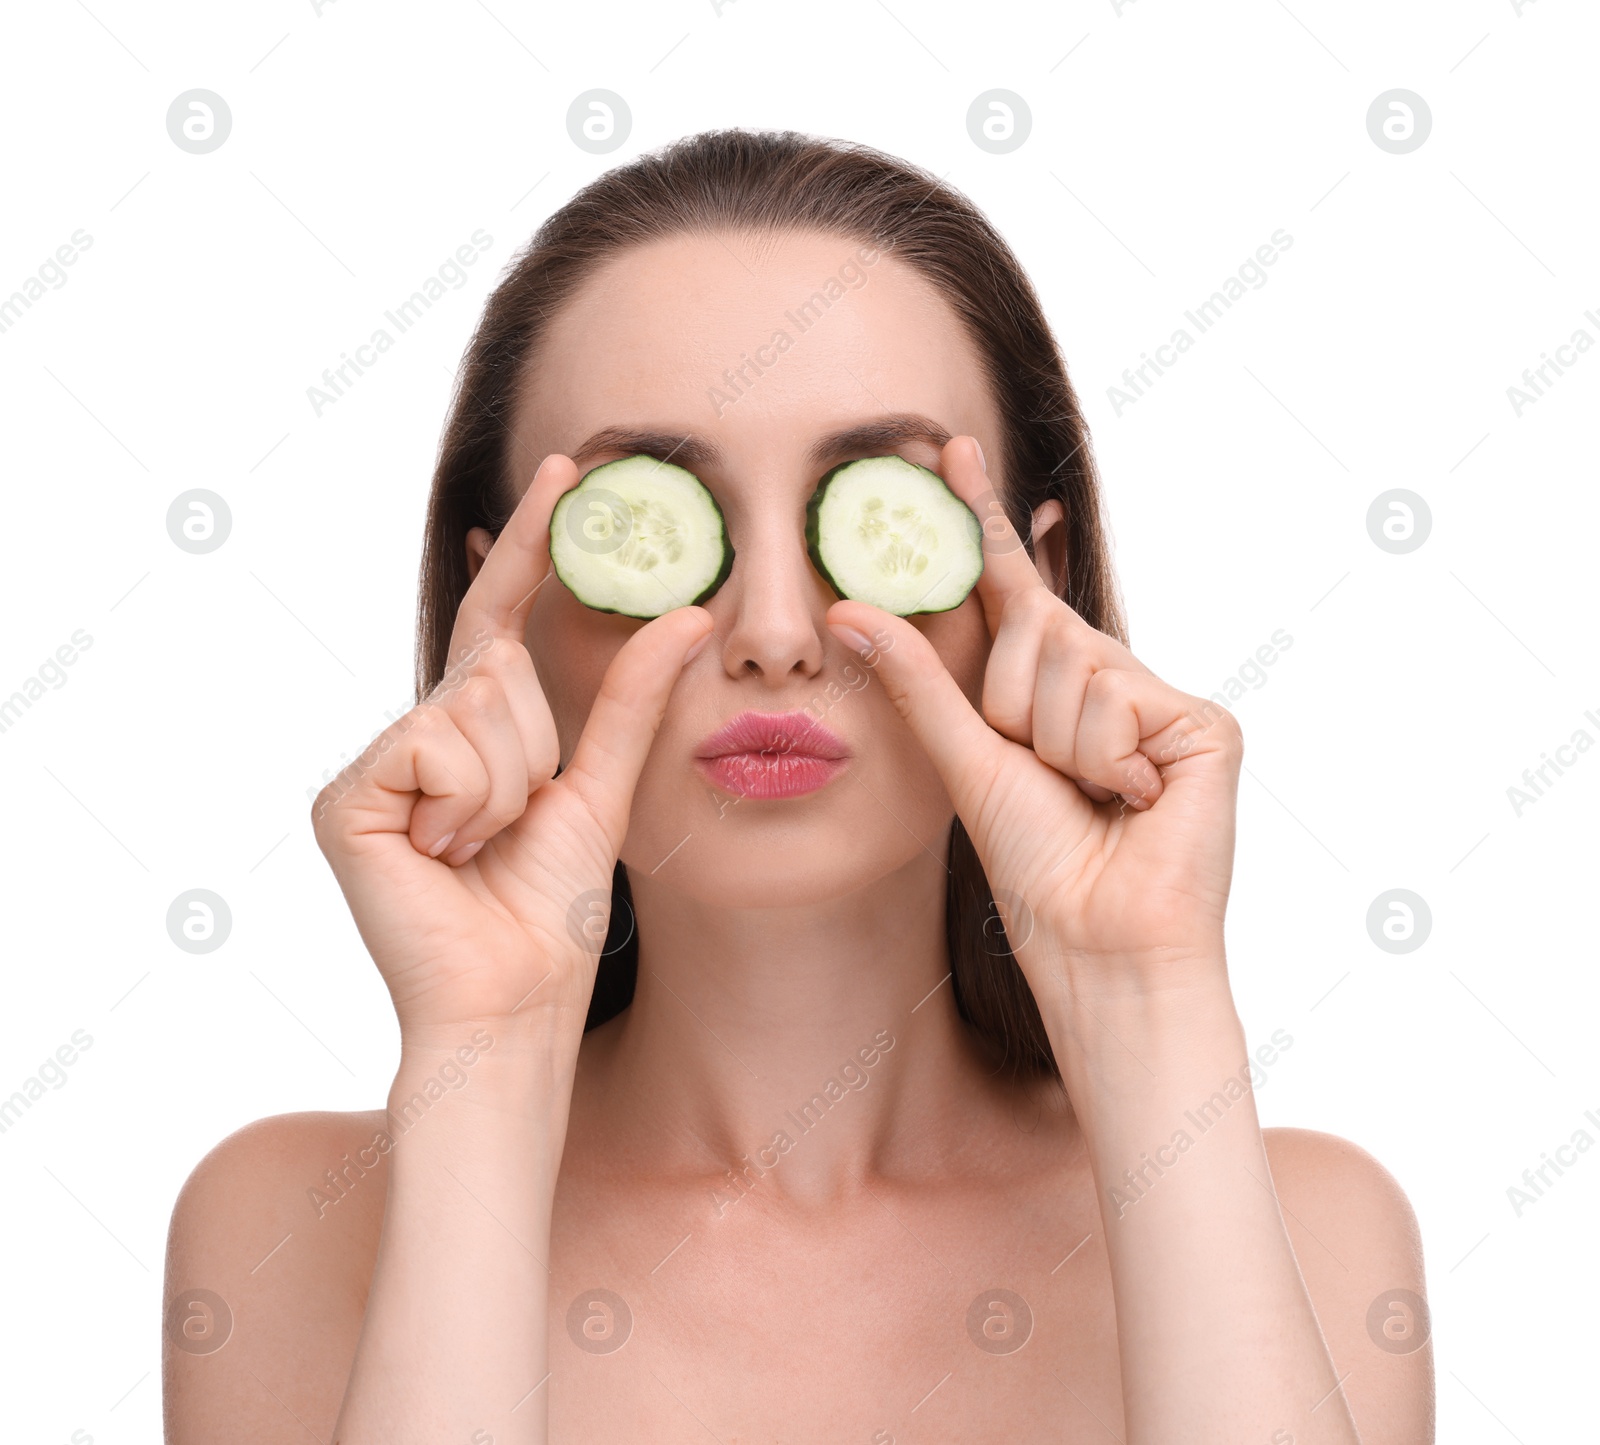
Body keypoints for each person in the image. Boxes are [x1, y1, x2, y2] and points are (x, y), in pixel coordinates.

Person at [163, 129, 1433, 1443]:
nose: (774, 626)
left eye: (872, 515)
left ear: (1033, 589)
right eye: (652, 518)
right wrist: (481, 1066)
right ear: (511, 609)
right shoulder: (279, 1229)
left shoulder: (1319, 1234)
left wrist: (1148, 1002)